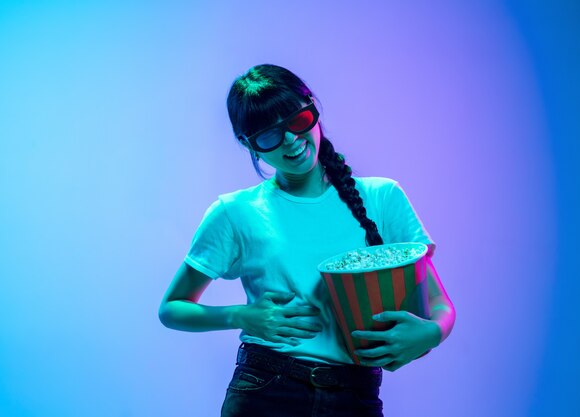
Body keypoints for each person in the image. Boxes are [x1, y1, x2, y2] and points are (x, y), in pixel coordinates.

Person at [158, 64, 456, 417]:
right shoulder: (234, 212)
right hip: (265, 390)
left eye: (298, 121)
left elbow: (440, 305)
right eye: (268, 135)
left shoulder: (382, 197)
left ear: (313, 108)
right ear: (246, 144)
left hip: (355, 396)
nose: (290, 141)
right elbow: (172, 308)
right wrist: (242, 315)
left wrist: (431, 334)